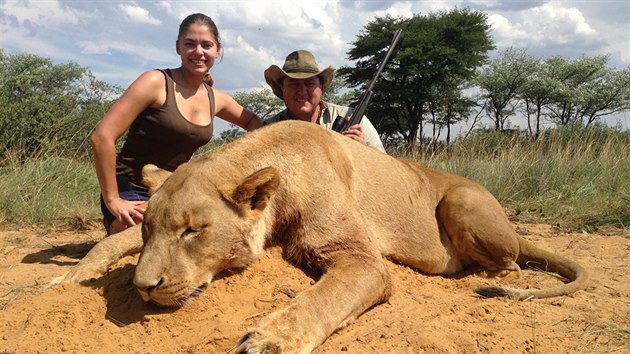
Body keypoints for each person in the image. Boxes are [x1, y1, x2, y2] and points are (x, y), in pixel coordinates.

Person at [91, 13, 264, 235]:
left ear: (217, 50)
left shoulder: (216, 98)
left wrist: (244, 157)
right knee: (155, 236)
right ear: (178, 47)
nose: (198, 52)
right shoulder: (155, 82)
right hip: (131, 190)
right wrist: (113, 199)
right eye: (190, 44)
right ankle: (114, 225)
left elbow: (253, 121)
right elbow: (102, 136)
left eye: (206, 45)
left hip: (173, 192)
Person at [263, 50, 386, 153]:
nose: (302, 91)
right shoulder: (266, 131)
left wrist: (361, 151)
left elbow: (384, 166)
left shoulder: (350, 117)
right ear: (282, 89)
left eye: (309, 84)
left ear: (321, 89)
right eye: (294, 84)